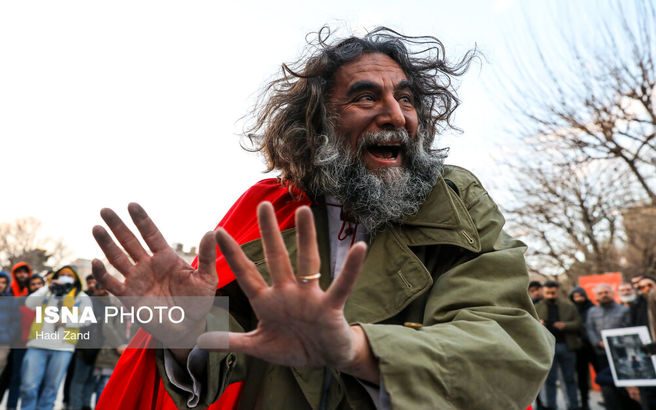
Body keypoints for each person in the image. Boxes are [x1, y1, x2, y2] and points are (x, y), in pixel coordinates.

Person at [91, 27, 554, 410]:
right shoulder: (265, 212)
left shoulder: (456, 200)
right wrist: (189, 333)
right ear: (318, 125)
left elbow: (506, 343)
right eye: (366, 98)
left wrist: (356, 349)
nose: (395, 114)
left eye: (407, 98)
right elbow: (237, 352)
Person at [20, 265, 92, 410]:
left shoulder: (81, 296)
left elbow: (88, 319)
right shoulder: (47, 293)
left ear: (75, 278)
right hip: (37, 344)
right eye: (62, 274)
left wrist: (68, 321)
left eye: (69, 275)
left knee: (52, 387)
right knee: (29, 385)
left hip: (63, 347)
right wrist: (47, 287)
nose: (65, 276)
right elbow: (29, 303)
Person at [585, 284, 637, 410]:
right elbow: (589, 329)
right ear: (597, 296)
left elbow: (628, 328)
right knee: (606, 384)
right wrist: (597, 342)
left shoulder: (623, 310)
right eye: (601, 293)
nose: (604, 295)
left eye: (606, 292)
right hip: (602, 353)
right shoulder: (592, 311)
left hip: (621, 353)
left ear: (612, 293)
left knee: (625, 381)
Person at [534, 281, 581, 409]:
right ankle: (550, 406)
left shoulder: (569, 306)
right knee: (549, 380)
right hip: (547, 348)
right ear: (543, 292)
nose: (550, 295)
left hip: (566, 346)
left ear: (558, 291)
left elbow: (578, 323)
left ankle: (573, 405)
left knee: (570, 378)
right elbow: (530, 325)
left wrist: (564, 325)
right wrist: (539, 324)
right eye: (548, 293)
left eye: (553, 292)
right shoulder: (536, 307)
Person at [569, 286, 596, 410]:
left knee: (600, 372)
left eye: (581, 295)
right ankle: (585, 402)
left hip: (594, 347)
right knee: (582, 377)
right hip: (579, 348)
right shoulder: (571, 310)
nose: (579, 298)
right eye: (576, 296)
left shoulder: (592, 308)